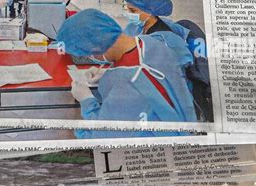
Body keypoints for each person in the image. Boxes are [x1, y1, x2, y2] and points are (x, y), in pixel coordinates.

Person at [56, 9, 196, 138]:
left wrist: (86, 100)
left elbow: (102, 136)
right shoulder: (153, 41)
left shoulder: (128, 86)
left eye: (88, 54)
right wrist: (107, 72)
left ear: (96, 47)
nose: (91, 57)